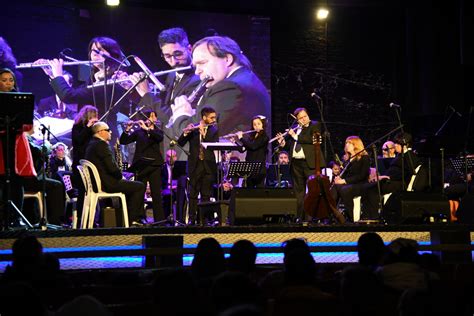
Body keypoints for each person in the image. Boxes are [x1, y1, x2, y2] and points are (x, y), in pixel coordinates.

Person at [34, 36, 131, 146]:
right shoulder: (93, 78)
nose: (94, 53)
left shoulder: (114, 80)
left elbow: (68, 96)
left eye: (100, 50)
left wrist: (58, 75)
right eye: (93, 50)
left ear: (112, 55)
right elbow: (75, 103)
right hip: (90, 135)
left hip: (103, 137)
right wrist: (52, 75)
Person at [170, 35, 271, 138]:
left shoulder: (230, 88)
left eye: (202, 63)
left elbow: (197, 135)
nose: (197, 71)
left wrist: (181, 114)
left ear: (227, 59)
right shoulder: (245, 78)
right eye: (196, 66)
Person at [128, 27, 201, 160]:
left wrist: (147, 94)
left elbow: (171, 119)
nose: (173, 61)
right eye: (167, 56)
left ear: (189, 49)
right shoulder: (172, 74)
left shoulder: (198, 79)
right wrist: (134, 91)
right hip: (167, 146)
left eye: (178, 54)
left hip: (184, 149)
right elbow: (157, 111)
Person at [85, 121, 146, 226]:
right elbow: (112, 168)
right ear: (100, 132)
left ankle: (126, 219)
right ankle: (133, 220)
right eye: (108, 130)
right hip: (108, 183)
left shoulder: (92, 144)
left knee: (131, 186)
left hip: (102, 182)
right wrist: (120, 176)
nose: (111, 132)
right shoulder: (101, 145)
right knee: (139, 186)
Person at [277, 107, 324, 221]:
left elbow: (309, 139)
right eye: (301, 118)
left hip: (310, 163)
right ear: (297, 120)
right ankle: (300, 217)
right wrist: (283, 143)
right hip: (296, 163)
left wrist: (295, 136)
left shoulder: (315, 125)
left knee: (313, 190)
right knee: (299, 192)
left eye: (305, 116)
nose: (304, 119)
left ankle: (312, 217)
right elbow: (291, 145)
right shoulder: (296, 128)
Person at [119, 109, 165, 222]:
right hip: (141, 166)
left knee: (156, 193)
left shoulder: (158, 131)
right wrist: (127, 129)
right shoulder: (139, 132)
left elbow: (159, 138)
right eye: (150, 116)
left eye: (154, 116)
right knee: (140, 192)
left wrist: (147, 129)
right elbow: (124, 141)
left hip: (155, 165)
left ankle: (159, 220)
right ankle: (139, 218)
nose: (153, 119)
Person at [363, 132, 421, 219]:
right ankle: (368, 216)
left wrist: (388, 177)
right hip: (391, 180)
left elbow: (407, 172)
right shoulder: (400, 155)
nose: (395, 145)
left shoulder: (410, 156)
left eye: (398, 143)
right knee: (368, 187)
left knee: (371, 189)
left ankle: (373, 217)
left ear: (405, 145)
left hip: (399, 183)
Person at [177, 107, 218, 225]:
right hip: (195, 165)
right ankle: (192, 219)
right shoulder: (193, 128)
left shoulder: (214, 129)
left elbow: (212, 144)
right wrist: (185, 133)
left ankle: (203, 219)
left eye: (214, 117)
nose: (214, 119)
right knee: (193, 194)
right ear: (204, 117)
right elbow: (180, 143)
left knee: (206, 194)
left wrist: (203, 134)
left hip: (208, 166)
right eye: (211, 117)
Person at [23, 126, 66, 226]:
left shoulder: (28, 139)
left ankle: (52, 220)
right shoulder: (25, 137)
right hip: (29, 179)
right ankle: (55, 221)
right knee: (57, 186)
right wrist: (46, 144)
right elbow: (39, 151)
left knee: (55, 184)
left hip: (32, 177)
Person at [331, 136, 370, 222]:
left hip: (361, 184)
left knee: (345, 189)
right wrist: (339, 179)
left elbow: (362, 176)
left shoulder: (364, 158)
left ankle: (350, 217)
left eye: (350, 143)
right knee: (334, 188)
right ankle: (334, 214)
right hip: (350, 184)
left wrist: (344, 181)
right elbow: (346, 175)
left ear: (356, 145)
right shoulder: (347, 159)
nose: (347, 145)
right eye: (346, 143)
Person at [234, 115, 269, 188]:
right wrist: (235, 142)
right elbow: (243, 149)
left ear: (263, 124)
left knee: (259, 192)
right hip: (250, 168)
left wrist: (241, 138)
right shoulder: (251, 137)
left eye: (258, 124)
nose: (256, 126)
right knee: (248, 191)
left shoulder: (264, 137)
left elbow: (253, 147)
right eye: (254, 124)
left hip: (259, 169)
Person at [161, 148, 187, 222]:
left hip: (176, 188)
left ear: (176, 157)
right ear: (166, 157)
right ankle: (167, 218)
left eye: (173, 156)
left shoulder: (179, 167)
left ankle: (180, 218)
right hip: (166, 188)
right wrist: (168, 186)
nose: (171, 159)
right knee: (168, 196)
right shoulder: (162, 168)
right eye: (169, 157)